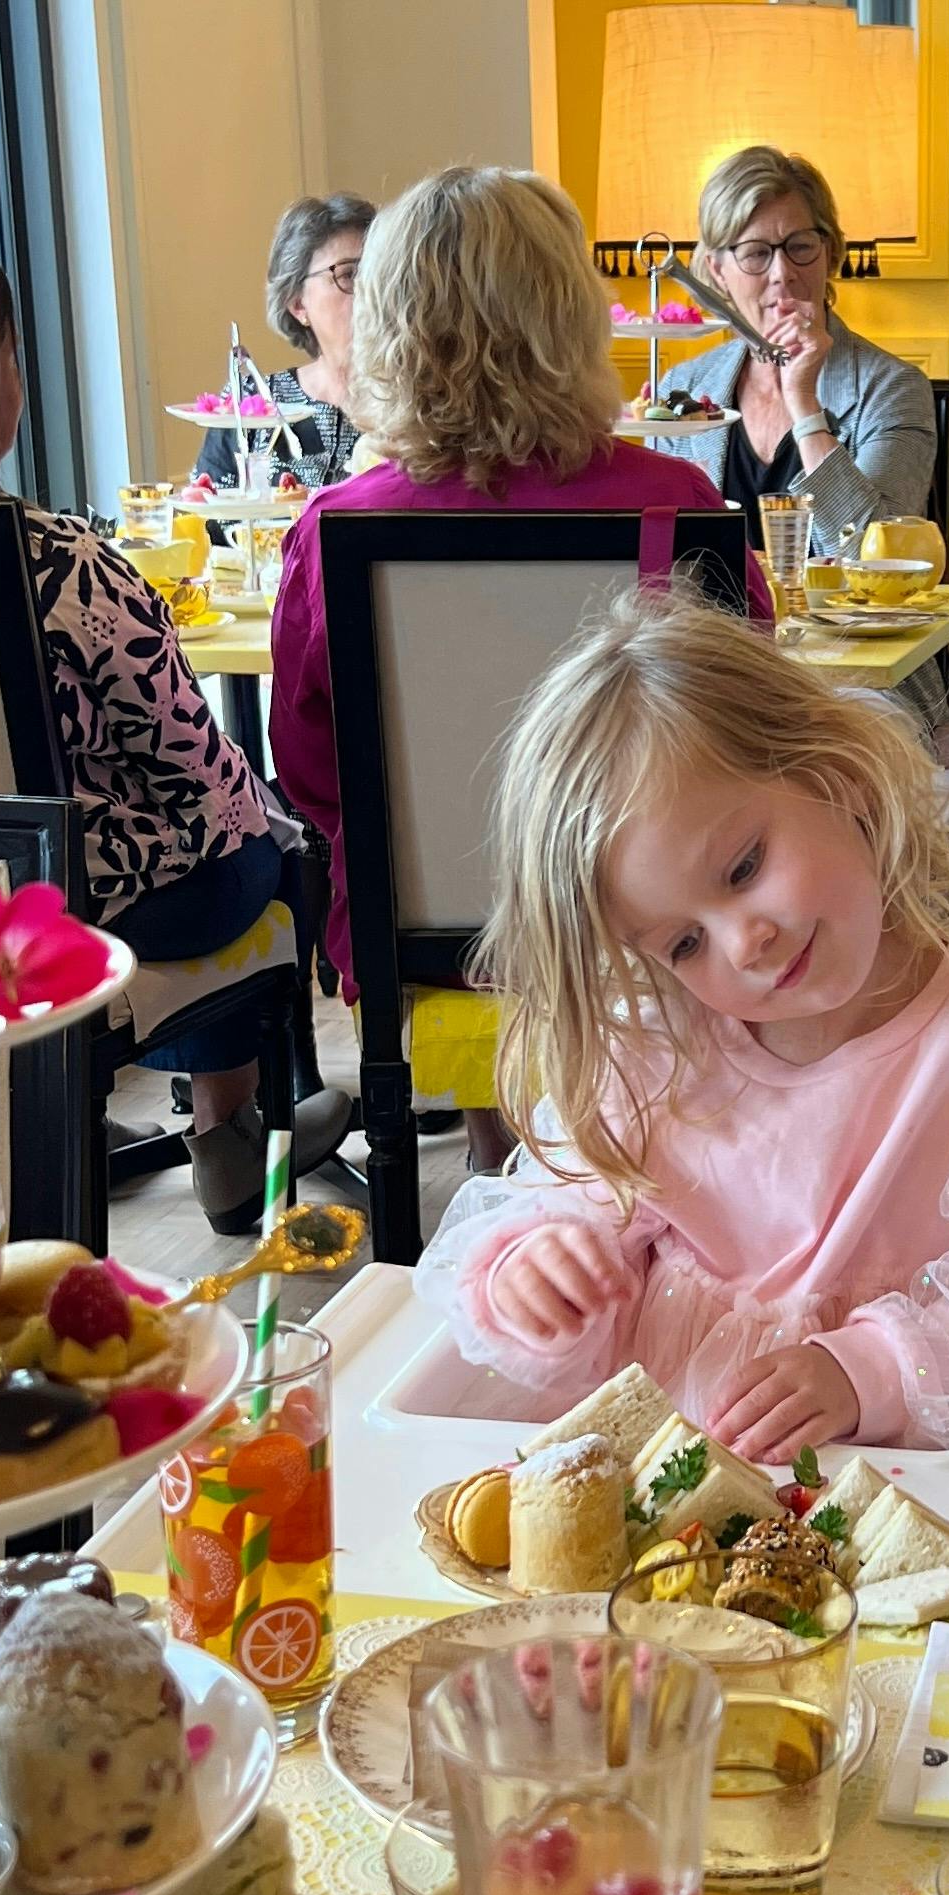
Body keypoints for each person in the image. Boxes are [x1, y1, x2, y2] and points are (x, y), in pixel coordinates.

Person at [412, 589, 949, 1461]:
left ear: (835, 776)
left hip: (897, 1491)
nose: (744, 942)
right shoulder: (657, 1045)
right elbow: (566, 1215)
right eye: (683, 941)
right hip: (666, 1497)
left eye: (744, 866)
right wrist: (537, 1275)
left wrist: (864, 1367)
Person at [0, 232, 351, 1230]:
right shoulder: (61, 563)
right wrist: (265, 815)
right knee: (256, 846)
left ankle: (54, 1110)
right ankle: (221, 1133)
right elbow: (190, 764)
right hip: (63, 911)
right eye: (10, 357)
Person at [271, 167, 768, 1167]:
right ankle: (613, 1163)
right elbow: (750, 738)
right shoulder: (672, 506)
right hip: (646, 916)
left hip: (432, 939)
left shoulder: (337, 528)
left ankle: (499, 1159)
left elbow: (311, 773)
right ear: (569, 316)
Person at [656, 145, 936, 551]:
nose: (782, 274)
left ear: (830, 251)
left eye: (800, 247)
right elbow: (660, 552)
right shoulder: (682, 386)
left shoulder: (892, 390)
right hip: (710, 616)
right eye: (755, 254)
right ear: (718, 272)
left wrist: (803, 404)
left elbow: (872, 555)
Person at [196, 193, 374, 491]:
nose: (370, 290)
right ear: (298, 305)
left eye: (377, 273)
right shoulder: (253, 402)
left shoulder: (416, 407)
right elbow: (203, 518)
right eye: (349, 274)